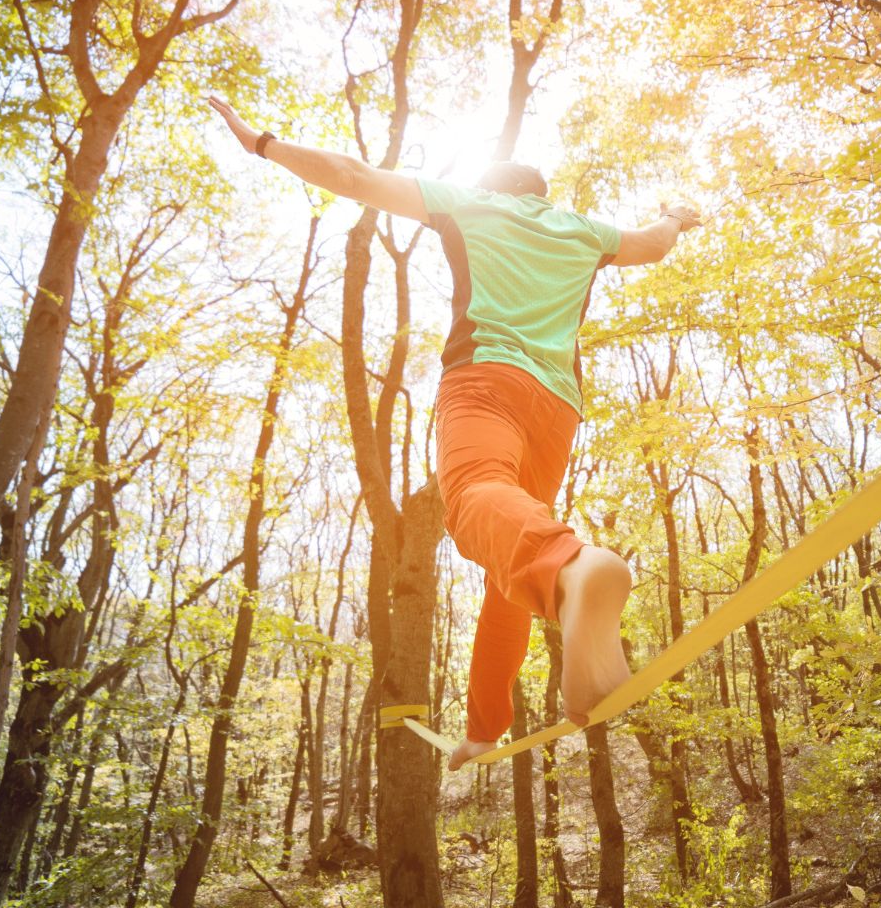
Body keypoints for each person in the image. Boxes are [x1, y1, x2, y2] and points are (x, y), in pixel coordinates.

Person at [207, 95, 701, 770]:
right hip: (556, 409)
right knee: (511, 565)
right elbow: (653, 243)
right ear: (542, 195)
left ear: (484, 189)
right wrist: (676, 214)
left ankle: (577, 564)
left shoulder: (468, 204)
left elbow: (352, 176)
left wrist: (259, 141)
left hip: (485, 381)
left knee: (473, 502)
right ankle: (486, 718)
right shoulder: (583, 231)